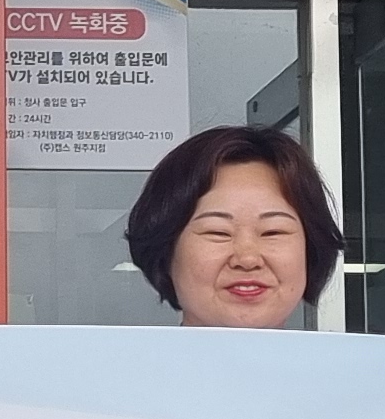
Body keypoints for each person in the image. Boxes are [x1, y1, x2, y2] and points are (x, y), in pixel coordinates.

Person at [129, 123, 340, 328]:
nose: (247, 259)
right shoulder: (123, 354)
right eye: (218, 232)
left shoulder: (348, 354)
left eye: (272, 231)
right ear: (165, 253)